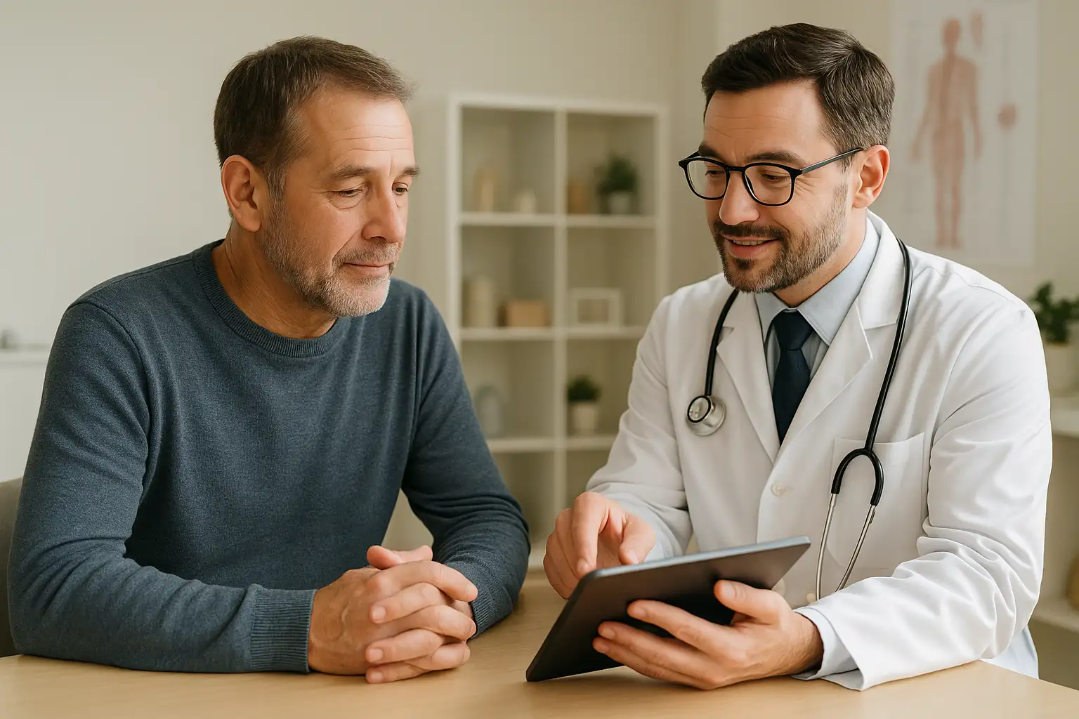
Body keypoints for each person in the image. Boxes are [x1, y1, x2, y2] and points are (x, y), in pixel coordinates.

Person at [543, 23, 1050, 691]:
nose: (731, 207)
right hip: (746, 694)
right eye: (717, 170)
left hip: (934, 691)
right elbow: (648, 498)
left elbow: (987, 573)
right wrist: (615, 535)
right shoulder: (683, 321)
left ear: (865, 176)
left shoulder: (979, 328)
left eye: (771, 174)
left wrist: (807, 637)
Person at [9, 36, 530, 683]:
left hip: (344, 691)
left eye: (400, 187)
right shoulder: (118, 332)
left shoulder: (408, 322)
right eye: (350, 190)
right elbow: (55, 588)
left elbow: (486, 517)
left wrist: (442, 606)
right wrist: (308, 626)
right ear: (247, 193)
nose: (391, 227)